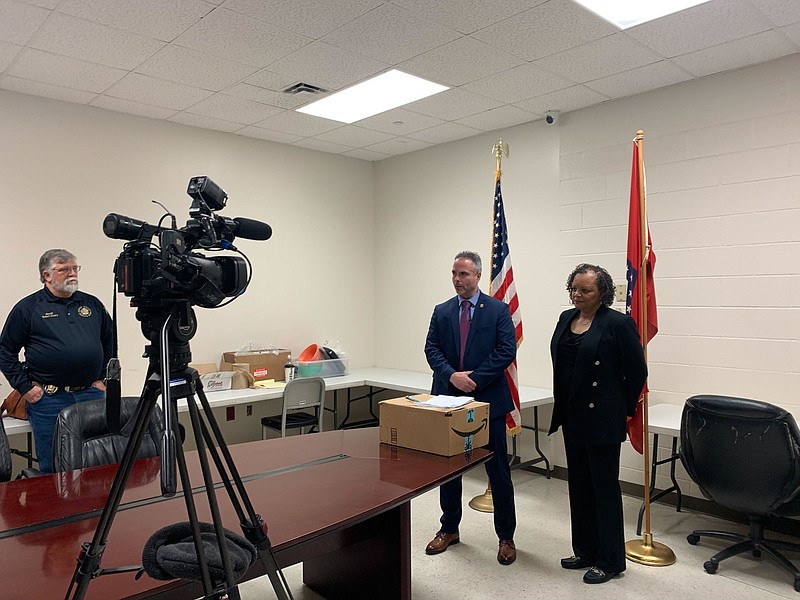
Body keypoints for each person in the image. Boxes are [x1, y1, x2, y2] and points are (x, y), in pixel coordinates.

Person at [548, 263, 647, 584]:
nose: (577, 295)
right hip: (572, 415)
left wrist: (619, 408)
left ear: (602, 293)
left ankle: (611, 560)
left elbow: (636, 373)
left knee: (604, 490)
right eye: (573, 289)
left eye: (585, 290)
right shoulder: (566, 318)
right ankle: (586, 550)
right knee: (579, 487)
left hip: (602, 418)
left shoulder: (618, 323)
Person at [423, 250, 518, 565]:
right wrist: (452, 376)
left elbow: (506, 350)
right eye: (454, 273)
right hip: (449, 400)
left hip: (488, 400)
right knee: (449, 471)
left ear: (477, 276)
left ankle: (506, 536)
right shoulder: (442, 311)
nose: (457, 279)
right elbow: (431, 348)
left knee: (498, 471)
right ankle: (449, 529)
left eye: (463, 274)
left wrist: (474, 380)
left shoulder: (498, 310)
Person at [0, 249, 113, 474]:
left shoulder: (92, 304)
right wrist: (25, 387)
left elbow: (109, 342)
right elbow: (5, 350)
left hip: (90, 394)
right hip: (49, 399)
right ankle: (60, 510)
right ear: (46, 276)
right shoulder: (28, 308)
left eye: (74, 268)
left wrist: (103, 378)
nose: (72, 274)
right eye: (64, 269)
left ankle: (95, 509)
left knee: (96, 460)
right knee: (55, 464)